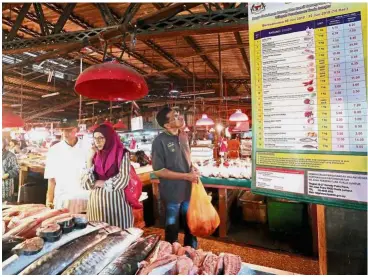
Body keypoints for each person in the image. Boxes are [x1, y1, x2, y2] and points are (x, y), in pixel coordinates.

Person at [152, 106, 200, 249]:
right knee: (172, 226)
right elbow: (159, 171)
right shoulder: (159, 141)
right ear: (167, 125)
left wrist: (193, 168)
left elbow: (186, 158)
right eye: (175, 117)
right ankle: (170, 255)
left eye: (179, 114)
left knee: (190, 224)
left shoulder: (184, 136)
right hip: (172, 193)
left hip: (187, 190)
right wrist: (186, 176)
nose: (180, 117)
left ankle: (191, 251)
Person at [81, 124, 133, 229]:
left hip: (117, 204)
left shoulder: (122, 153)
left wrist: (98, 183)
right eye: (95, 138)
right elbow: (85, 184)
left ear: (109, 138)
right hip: (96, 205)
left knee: (120, 235)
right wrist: (89, 160)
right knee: (98, 237)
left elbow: (122, 180)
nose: (97, 141)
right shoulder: (94, 155)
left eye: (101, 138)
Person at [44, 122, 89, 213]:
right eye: (63, 130)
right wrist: (49, 200)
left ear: (77, 129)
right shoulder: (54, 150)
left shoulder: (88, 148)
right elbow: (51, 178)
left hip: (84, 197)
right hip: (62, 198)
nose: (66, 133)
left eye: (69, 130)